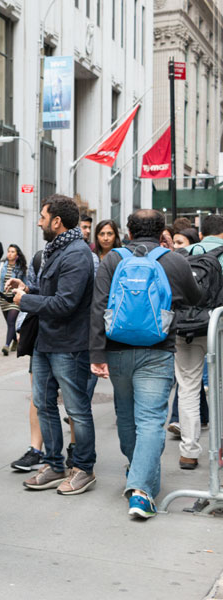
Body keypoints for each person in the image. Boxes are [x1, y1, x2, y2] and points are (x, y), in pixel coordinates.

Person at [90, 209, 201, 518]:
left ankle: (136, 469)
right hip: (158, 348)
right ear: (161, 229)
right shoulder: (174, 259)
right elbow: (195, 297)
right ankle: (141, 491)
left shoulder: (113, 259)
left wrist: (96, 354)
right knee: (151, 419)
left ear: (129, 229)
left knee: (125, 413)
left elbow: (98, 306)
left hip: (117, 349)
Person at [7, 195, 97, 496]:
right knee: (43, 404)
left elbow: (66, 303)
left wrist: (25, 301)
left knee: (76, 409)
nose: (39, 222)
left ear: (56, 221)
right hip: (47, 342)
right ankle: (54, 464)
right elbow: (52, 291)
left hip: (69, 345)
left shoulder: (77, 253)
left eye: (43, 217)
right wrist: (28, 289)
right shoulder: (58, 250)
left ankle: (83, 468)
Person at [171, 214, 223, 470]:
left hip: (186, 328)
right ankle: (220, 447)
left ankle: (189, 452)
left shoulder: (182, 254)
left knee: (188, 388)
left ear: (201, 234)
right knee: (220, 387)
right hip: (218, 328)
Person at [9, 249, 47, 472]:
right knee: (38, 395)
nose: (41, 222)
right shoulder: (40, 257)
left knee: (73, 401)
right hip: (40, 336)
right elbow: (30, 293)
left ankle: (76, 452)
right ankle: (36, 449)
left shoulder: (81, 256)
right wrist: (22, 324)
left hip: (71, 341)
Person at [0, 244, 27, 355]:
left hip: (15, 298)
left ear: (17, 255)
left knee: (11, 321)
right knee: (10, 323)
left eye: (12, 252)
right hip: (3, 298)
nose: (9, 253)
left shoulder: (21, 267)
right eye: (9, 251)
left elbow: (25, 283)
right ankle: (15, 340)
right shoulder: (1, 266)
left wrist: (25, 295)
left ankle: (6, 345)